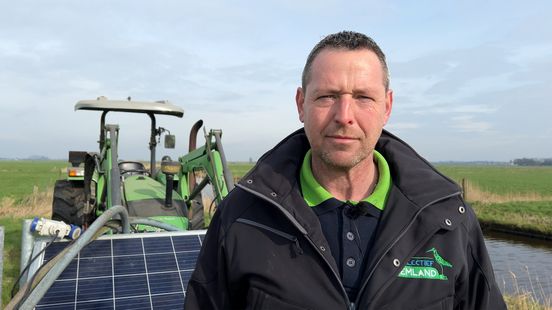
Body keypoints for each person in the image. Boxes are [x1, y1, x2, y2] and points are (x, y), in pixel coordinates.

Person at [185, 31, 506, 309]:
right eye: (327, 96)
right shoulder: (242, 215)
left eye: (364, 97)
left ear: (387, 107)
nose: (344, 116)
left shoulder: (447, 219)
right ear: (301, 104)